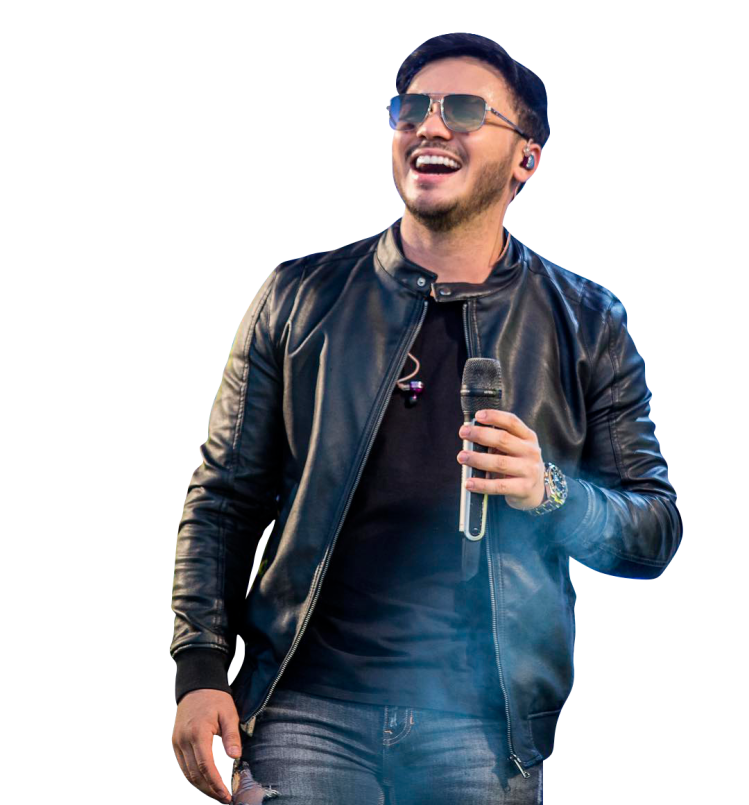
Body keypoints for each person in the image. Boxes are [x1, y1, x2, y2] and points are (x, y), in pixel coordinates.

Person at [170, 32, 682, 804]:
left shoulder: (587, 319)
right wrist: (199, 667)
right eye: (411, 108)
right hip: (304, 709)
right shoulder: (297, 296)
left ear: (526, 159)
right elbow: (223, 496)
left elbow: (651, 533)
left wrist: (548, 492)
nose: (429, 125)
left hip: (484, 726)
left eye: (464, 110)